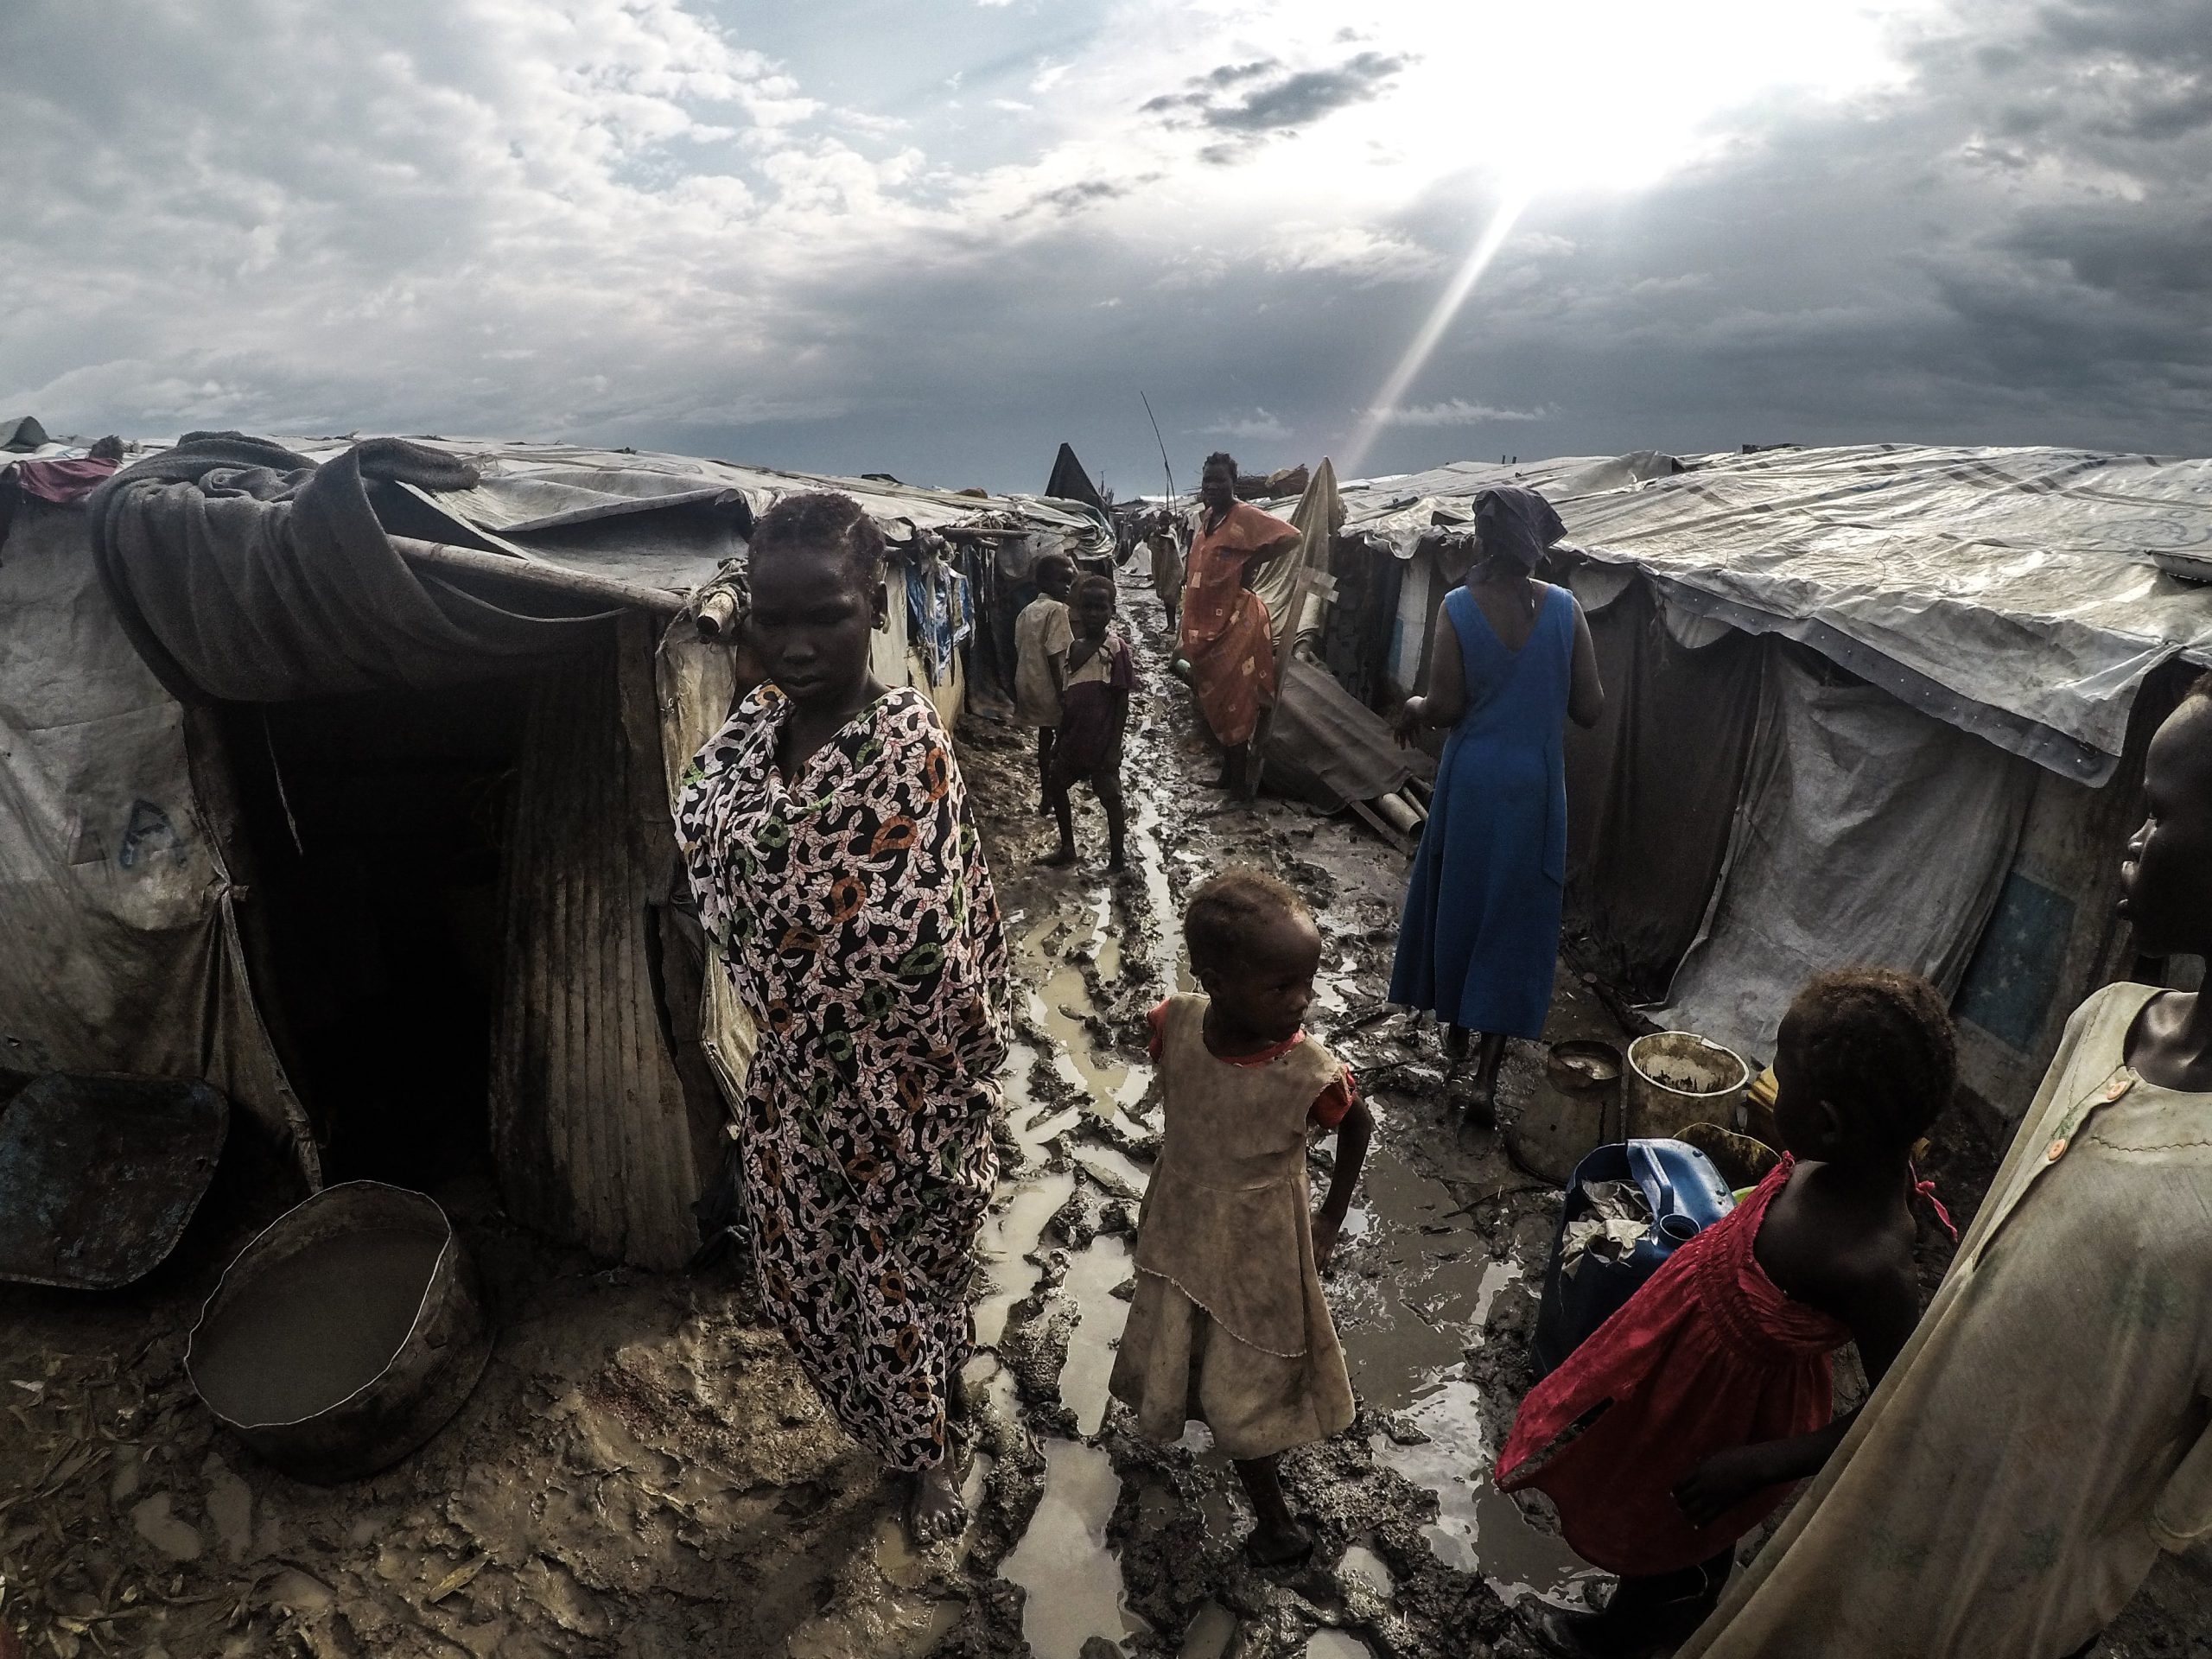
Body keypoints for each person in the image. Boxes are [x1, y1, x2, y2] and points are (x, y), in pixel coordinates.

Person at [1677, 682, 2212, 1659]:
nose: (2130, 840)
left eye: (2160, 814)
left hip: (2018, 1567)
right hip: (1899, 1465)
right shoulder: (2106, 1021)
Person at [673, 492, 1011, 1546]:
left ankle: (926, 1454)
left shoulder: (905, 751)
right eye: (770, 619)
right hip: (795, 1088)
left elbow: (929, 946)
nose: (795, 641)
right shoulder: (746, 741)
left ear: (873, 603)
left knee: (904, 1280)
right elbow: (733, 873)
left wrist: (882, 1048)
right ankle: (904, 1416)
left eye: (823, 614)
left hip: (907, 1094)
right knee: (807, 1284)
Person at [1497, 969, 1956, 1657]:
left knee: (1684, 1539)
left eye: (1782, 1073)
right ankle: (1639, 1608)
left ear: (1827, 1119)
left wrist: (1755, 1465)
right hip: (1688, 1386)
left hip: (1724, 1427)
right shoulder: (1835, 1161)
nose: (1770, 1080)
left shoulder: (1872, 1265)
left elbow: (1899, 1411)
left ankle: (1632, 1639)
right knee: (1650, 1505)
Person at [1109, 868, 1373, 1567]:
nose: (1302, 1001)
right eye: (1281, 986)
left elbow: (1359, 1126)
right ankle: (1209, 1426)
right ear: (1216, 981)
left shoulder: (1309, 1071)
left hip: (1258, 1246)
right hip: (1184, 1222)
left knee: (1246, 1373)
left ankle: (1275, 1521)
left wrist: (1328, 1219)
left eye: (1307, 982)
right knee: (1187, 1330)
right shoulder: (1176, 1023)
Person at [1388, 486, 1604, 1122]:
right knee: (1515, 919)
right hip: (1534, 787)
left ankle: (1456, 1021)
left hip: (1473, 781)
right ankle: (1483, 1078)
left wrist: (1414, 707)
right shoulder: (1568, 609)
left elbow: (1446, 707)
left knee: (1461, 900)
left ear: (1483, 540)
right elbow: (1590, 710)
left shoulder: (1458, 606)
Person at [1180, 453, 1298, 793]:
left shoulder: (1244, 515)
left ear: (1234, 482)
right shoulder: (1206, 519)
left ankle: (1240, 783)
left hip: (1235, 623)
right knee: (1215, 699)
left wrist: (1252, 561)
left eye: (1220, 480)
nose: (1213, 487)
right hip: (1205, 628)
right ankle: (1227, 776)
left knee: (1237, 702)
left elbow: (1293, 537)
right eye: (1208, 481)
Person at [1042, 572, 1136, 873]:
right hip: (1074, 739)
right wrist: (1059, 739)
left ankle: (1118, 859)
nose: (1094, 614)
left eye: (1101, 608)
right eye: (1088, 608)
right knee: (1056, 785)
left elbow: (1122, 702)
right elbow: (1069, 697)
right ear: (1078, 610)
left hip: (1101, 741)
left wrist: (1113, 747)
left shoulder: (1115, 649)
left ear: (1112, 611)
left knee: (1111, 798)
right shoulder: (1073, 649)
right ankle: (1067, 847)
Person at [1014, 552, 1077, 813]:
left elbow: (1018, 645)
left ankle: (1045, 793)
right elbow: (1056, 654)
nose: (1067, 588)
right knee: (1060, 742)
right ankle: (1054, 793)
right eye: (1062, 581)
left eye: (1070, 582)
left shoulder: (1027, 611)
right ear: (1045, 583)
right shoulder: (1058, 610)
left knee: (1044, 737)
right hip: (1050, 686)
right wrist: (1064, 691)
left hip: (1027, 683)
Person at [1145, 505, 1186, 629]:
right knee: (1166, 598)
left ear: (1170, 522)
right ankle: (1170, 625)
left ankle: (1173, 626)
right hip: (1162, 568)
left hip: (1173, 568)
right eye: (1161, 522)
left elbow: (1170, 539)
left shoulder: (1171, 532)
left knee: (1171, 597)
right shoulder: (1157, 534)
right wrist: (1150, 531)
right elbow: (1146, 540)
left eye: (1166, 522)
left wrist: (1158, 533)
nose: (1163, 524)